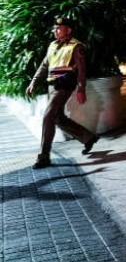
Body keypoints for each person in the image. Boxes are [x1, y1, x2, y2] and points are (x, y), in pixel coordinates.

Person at [26, 17, 98, 169]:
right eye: (55, 28)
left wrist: (80, 89)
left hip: (64, 86)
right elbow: (44, 65)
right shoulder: (52, 45)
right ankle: (88, 137)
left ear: (68, 30)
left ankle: (44, 156)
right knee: (58, 118)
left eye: (58, 28)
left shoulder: (76, 46)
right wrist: (33, 82)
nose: (55, 31)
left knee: (48, 115)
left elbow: (82, 70)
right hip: (51, 86)